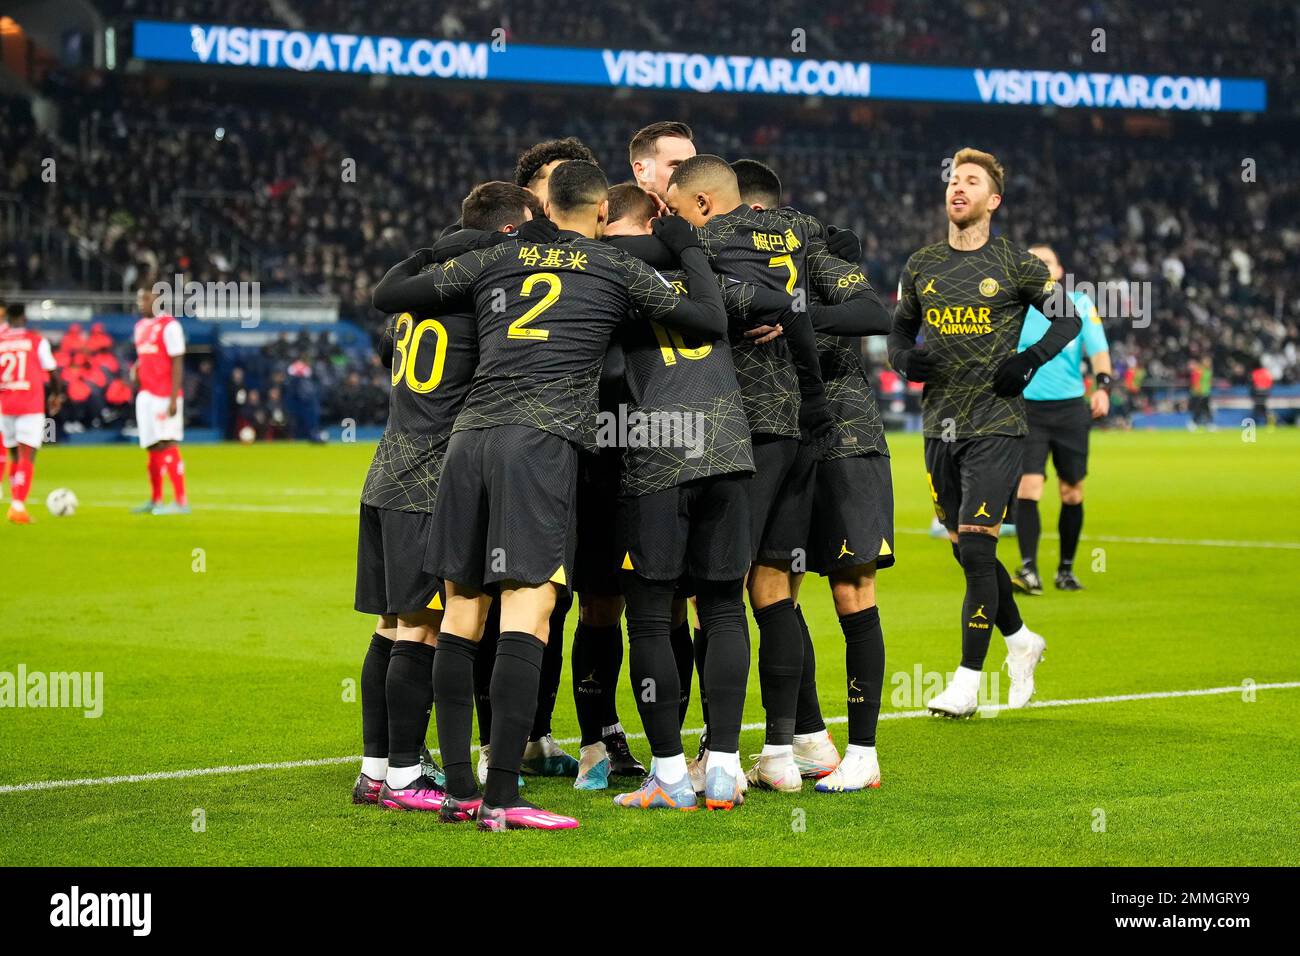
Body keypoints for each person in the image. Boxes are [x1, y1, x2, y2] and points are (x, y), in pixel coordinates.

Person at [372, 159, 727, 831]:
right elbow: (707, 318)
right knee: (528, 611)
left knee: (461, 612)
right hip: (538, 446)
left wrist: (444, 243)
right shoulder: (613, 269)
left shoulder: (498, 255)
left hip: (468, 441)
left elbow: (392, 295)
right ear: (599, 214)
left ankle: (459, 791)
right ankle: (504, 797)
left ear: (543, 208)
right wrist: (683, 246)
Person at [353, 181, 541, 812]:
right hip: (432, 478)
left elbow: (387, 348)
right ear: (509, 230)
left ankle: (377, 768)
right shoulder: (475, 291)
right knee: (424, 631)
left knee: (391, 625)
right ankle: (407, 774)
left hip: (386, 470)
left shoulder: (424, 288)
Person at [887, 148, 1080, 718]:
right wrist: (904, 361)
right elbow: (898, 333)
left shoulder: (1017, 263)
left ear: (993, 200)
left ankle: (967, 682)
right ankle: (1020, 640)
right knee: (965, 551)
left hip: (996, 424)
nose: (958, 187)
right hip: (938, 426)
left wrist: (1031, 360)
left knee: (975, 546)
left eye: (972, 181)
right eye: (953, 179)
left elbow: (1069, 317)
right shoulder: (921, 265)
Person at [731, 158, 894, 793]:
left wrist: (800, 318)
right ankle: (803, 740)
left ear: (759, 215)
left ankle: (865, 751)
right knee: (772, 590)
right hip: (783, 438)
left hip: (845, 436)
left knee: (851, 592)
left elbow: (872, 314)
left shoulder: (815, 245)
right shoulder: (746, 272)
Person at [1012, 245, 1113, 595]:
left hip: (1070, 409)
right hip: (1027, 408)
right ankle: (1028, 570)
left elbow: (1098, 350)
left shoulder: (1080, 304)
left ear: (1059, 270)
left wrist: (1103, 387)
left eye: (1047, 262)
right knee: (1029, 487)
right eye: (1032, 262)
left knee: (1072, 492)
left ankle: (1065, 570)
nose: (1040, 267)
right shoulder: (1013, 306)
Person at [0, 303, 60, 524]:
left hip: (6, 403)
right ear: (24, 318)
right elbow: (52, 372)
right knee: (28, 455)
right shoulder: (36, 341)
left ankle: (15, 500)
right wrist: (56, 395)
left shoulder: (2, 340)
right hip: (29, 404)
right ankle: (17, 506)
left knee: (14, 454)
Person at [132, 288, 189, 515]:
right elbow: (145, 357)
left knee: (168, 442)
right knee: (152, 446)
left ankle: (181, 501)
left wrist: (174, 398)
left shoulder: (170, 326)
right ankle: (156, 499)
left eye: (145, 298)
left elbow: (177, 361)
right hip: (145, 394)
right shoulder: (140, 327)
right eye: (139, 298)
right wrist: (136, 370)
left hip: (165, 395)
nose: (140, 303)